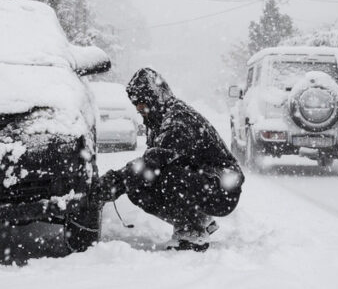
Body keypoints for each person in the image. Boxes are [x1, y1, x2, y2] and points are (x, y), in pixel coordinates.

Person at [92, 67, 245, 251]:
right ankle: (199, 220)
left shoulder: (178, 120)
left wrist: (112, 183)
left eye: (142, 102)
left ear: (154, 98)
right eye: (136, 105)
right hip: (205, 180)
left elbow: (152, 163)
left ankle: (192, 231)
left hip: (223, 187)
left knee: (169, 175)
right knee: (139, 185)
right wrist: (121, 182)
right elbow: (148, 161)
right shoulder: (158, 119)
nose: (139, 109)